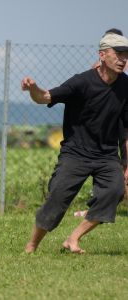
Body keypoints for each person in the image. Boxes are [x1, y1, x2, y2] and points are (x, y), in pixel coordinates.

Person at [21, 32, 128, 254]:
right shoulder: (82, 82)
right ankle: (31, 246)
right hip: (76, 153)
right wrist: (34, 89)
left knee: (114, 191)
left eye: (126, 55)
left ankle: (73, 238)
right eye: (118, 54)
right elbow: (45, 97)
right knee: (58, 197)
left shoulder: (126, 86)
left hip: (106, 155)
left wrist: (127, 164)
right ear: (102, 55)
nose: (123, 59)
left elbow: (126, 129)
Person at [75, 28, 128, 218]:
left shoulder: (120, 68)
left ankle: (99, 206)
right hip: (111, 128)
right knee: (115, 170)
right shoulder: (97, 68)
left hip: (123, 121)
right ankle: (97, 207)